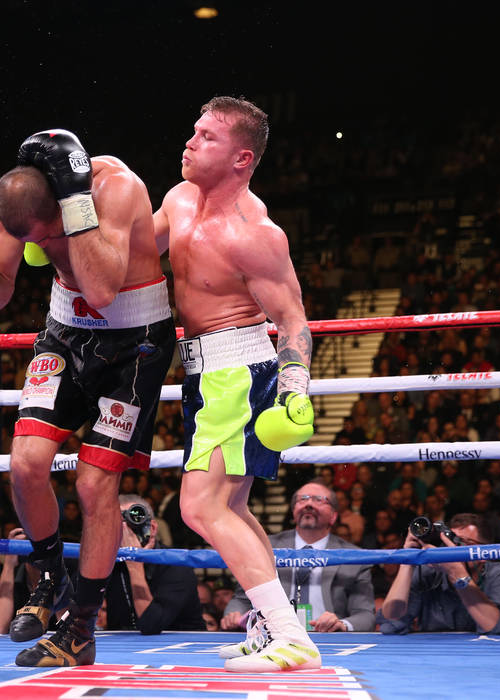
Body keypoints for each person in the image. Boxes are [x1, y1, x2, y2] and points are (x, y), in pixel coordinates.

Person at [0, 129, 174, 666]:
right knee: (24, 463)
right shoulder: (15, 201)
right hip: (65, 332)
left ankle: (83, 630)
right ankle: (51, 582)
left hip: (134, 342)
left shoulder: (115, 189)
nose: (42, 248)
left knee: (95, 484)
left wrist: (74, 204)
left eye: (47, 236)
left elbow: (103, 290)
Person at [154, 96, 318, 672]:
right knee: (232, 506)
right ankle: (269, 628)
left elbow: (294, 318)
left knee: (199, 507)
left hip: (239, 372)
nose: (191, 142)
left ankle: (293, 639)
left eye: (208, 137)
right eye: (193, 131)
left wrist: (295, 387)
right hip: (200, 372)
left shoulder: (256, 233)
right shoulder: (175, 200)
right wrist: (63, 236)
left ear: (242, 158)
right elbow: (132, 262)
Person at [221, 482, 375, 640]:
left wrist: (342, 623)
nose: (309, 503)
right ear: (294, 511)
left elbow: (365, 614)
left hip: (329, 638)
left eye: (318, 500)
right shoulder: (265, 546)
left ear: (333, 516)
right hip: (273, 637)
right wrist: (235, 615)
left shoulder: (353, 556)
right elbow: (241, 599)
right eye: (303, 499)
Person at [380, 513, 500, 634]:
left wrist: (456, 573)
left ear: (483, 553)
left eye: (459, 542)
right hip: (431, 656)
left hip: (483, 656)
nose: (450, 547)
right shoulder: (429, 572)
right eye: (447, 540)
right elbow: (391, 622)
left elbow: (498, 628)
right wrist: (407, 559)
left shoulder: (499, 575)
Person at [103, 496, 205, 634]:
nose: (126, 532)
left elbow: (151, 624)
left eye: (134, 521)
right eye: (119, 523)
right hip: (123, 646)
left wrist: (134, 562)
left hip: (179, 647)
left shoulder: (176, 564)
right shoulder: (106, 561)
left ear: (152, 528)